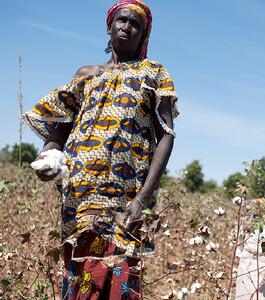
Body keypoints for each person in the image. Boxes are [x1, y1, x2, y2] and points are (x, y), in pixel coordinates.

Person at [23, 0, 179, 299]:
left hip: (125, 200)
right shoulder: (86, 74)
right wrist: (49, 157)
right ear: (109, 26)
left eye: (135, 24)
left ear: (143, 35)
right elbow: (59, 131)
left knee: (120, 282)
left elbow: (167, 136)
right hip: (80, 198)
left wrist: (142, 199)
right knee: (83, 280)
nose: (127, 27)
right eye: (121, 20)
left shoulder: (154, 74)